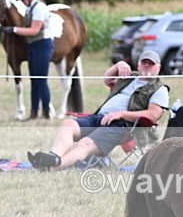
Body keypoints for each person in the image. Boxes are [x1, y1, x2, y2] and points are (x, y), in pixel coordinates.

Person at [26, 50, 168, 171]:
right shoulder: (129, 77)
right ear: (138, 64)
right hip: (99, 117)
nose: (147, 66)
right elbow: (106, 80)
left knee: (85, 144)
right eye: (144, 62)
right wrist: (118, 65)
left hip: (123, 126)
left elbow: (153, 115)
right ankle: (53, 156)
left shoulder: (159, 89)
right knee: (68, 124)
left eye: (151, 63)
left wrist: (121, 114)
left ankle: (53, 166)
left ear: (158, 68)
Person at [1, 0, 54, 120]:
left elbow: (34, 30)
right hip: (33, 46)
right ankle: (34, 111)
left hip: (42, 45)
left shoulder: (39, 8)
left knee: (41, 80)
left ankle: (46, 112)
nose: (23, 2)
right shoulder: (30, 8)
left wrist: (14, 30)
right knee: (34, 80)